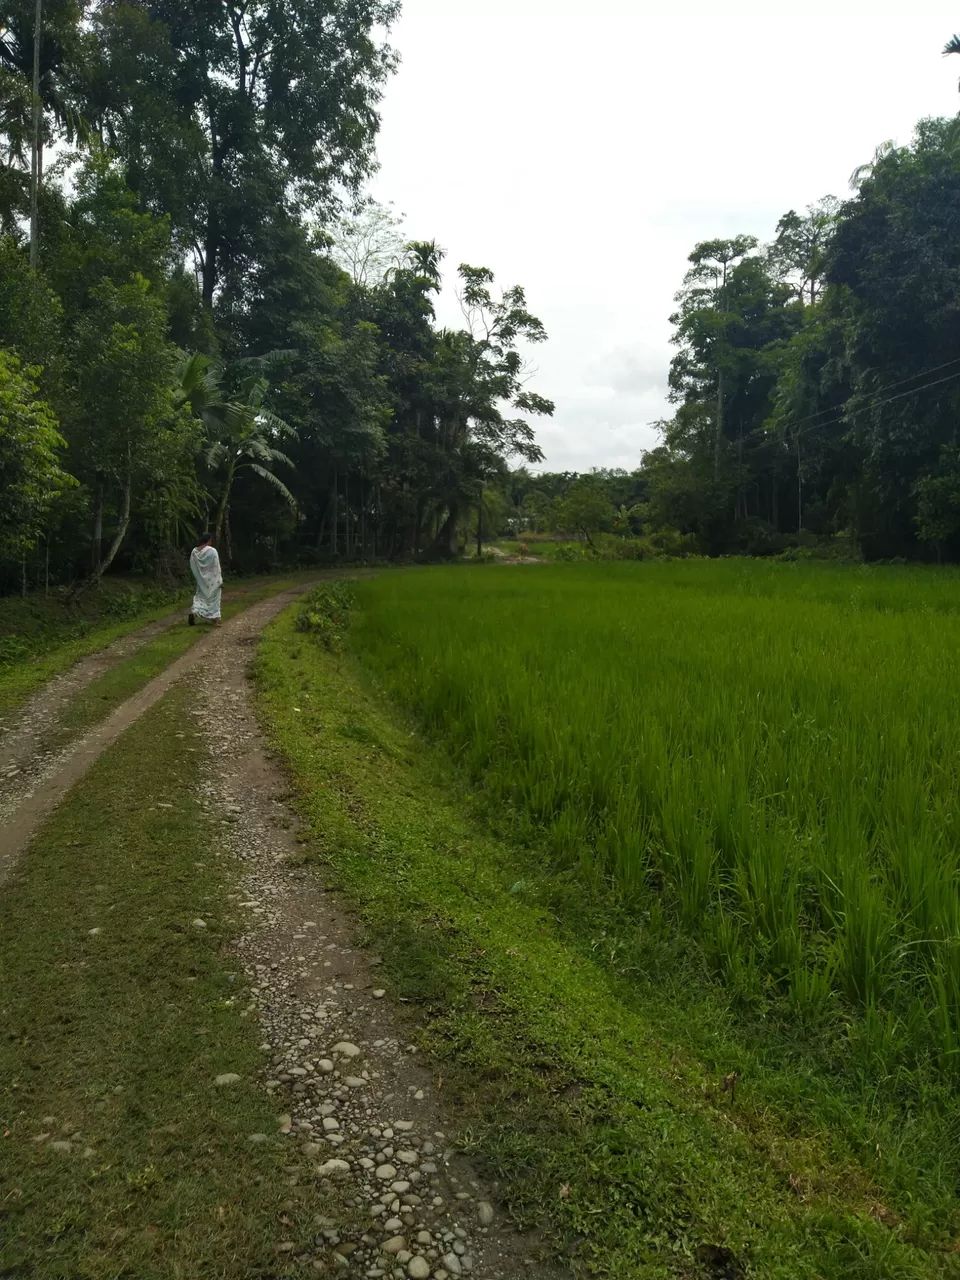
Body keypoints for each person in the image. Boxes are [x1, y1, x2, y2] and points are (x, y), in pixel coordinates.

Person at [188, 533, 222, 626]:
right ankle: (214, 620)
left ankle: (194, 611)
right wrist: (219, 579)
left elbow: (193, 565)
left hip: (201, 581)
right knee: (214, 599)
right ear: (209, 540)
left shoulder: (195, 551)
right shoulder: (212, 551)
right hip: (212, 580)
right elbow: (216, 566)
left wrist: (199, 576)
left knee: (200, 598)